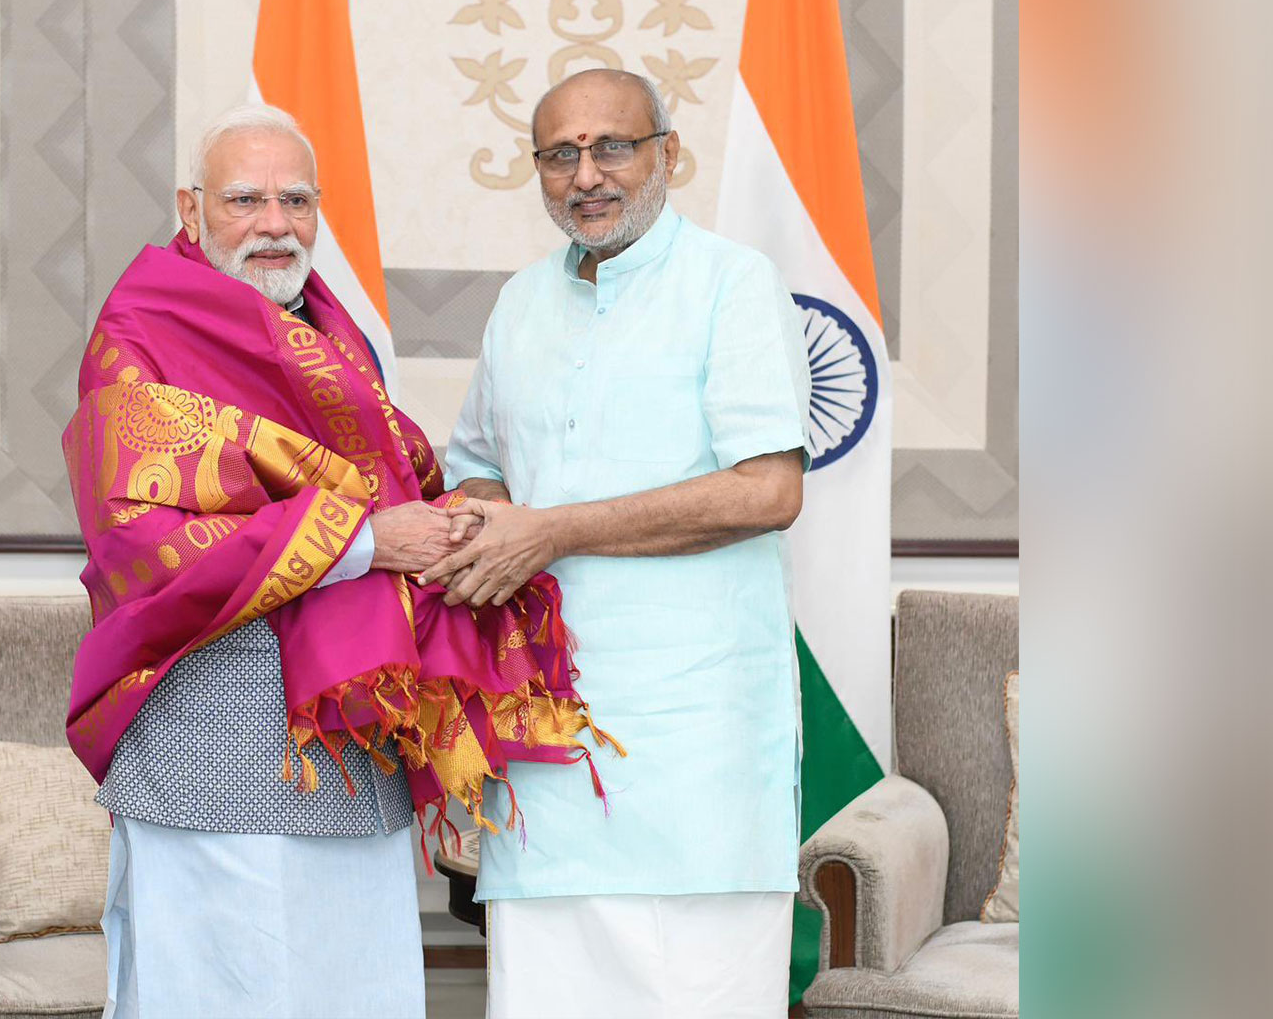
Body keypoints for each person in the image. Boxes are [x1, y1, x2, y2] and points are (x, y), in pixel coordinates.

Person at [61, 103, 608, 1019]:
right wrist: (364, 541)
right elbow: (136, 537)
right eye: (246, 200)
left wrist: (446, 529)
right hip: (211, 739)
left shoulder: (331, 337)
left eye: (296, 200)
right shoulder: (140, 336)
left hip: (350, 742)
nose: (275, 224)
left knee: (358, 989)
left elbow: (394, 487)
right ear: (191, 212)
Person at [431, 68, 812, 1018]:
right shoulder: (520, 303)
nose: (586, 174)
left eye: (613, 147)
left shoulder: (734, 282)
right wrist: (482, 518)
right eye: (560, 154)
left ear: (668, 155)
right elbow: (476, 467)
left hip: (696, 754)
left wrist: (551, 530)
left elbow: (769, 490)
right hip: (547, 749)